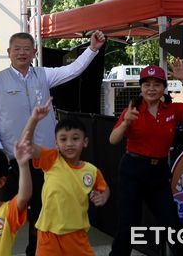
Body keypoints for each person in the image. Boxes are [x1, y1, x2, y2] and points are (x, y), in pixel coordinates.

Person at [0, 30, 106, 255]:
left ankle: (35, 251)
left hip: (44, 158)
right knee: (5, 211)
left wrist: (92, 50)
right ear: (8, 53)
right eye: (17, 49)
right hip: (11, 159)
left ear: (34, 52)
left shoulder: (44, 75)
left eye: (26, 49)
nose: (22, 53)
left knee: (41, 209)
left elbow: (73, 70)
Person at [108, 61, 183, 256]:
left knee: (172, 223)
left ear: (163, 88)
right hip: (133, 169)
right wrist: (126, 122)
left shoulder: (171, 110)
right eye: (147, 84)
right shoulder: (132, 111)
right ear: (141, 87)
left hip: (158, 172)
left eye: (157, 84)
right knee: (128, 224)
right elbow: (113, 139)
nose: (151, 89)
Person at [24, 98, 110, 255]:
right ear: (56, 143)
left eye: (75, 138)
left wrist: (103, 197)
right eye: (63, 139)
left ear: (85, 142)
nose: (69, 143)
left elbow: (104, 189)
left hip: (76, 234)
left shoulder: (91, 171)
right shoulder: (51, 159)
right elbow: (26, 145)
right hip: (48, 233)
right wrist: (33, 120)